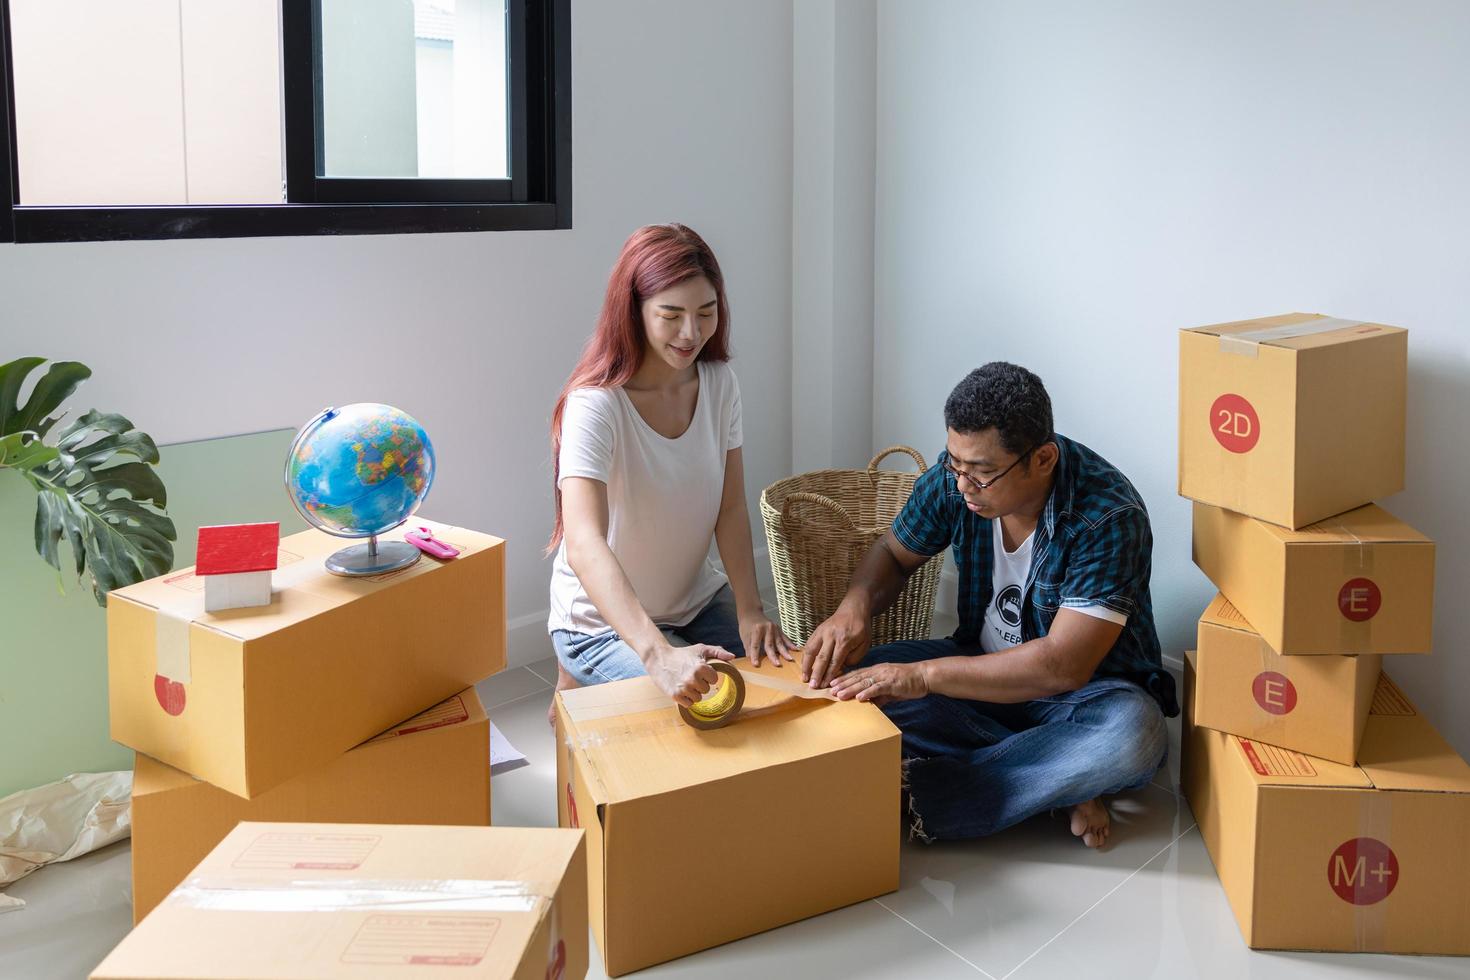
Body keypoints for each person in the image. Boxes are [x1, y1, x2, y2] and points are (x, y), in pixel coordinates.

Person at [801, 362, 1177, 848]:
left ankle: (934, 790)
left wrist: (922, 677)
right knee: (847, 686)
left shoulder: (1108, 515)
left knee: (1132, 740)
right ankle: (1054, 777)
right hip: (978, 672)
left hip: (1080, 696)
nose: (961, 485)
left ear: (1042, 459)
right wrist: (852, 608)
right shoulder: (956, 476)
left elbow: (1063, 666)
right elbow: (892, 555)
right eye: (956, 465)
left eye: (981, 474)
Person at [545, 224, 792, 722]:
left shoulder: (720, 383)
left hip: (694, 601)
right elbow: (584, 542)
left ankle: (581, 683)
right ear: (632, 311)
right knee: (707, 711)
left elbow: (730, 506)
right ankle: (575, 673)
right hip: (598, 624)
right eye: (671, 315)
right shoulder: (595, 405)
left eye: (706, 313)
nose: (691, 333)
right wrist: (658, 656)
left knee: (785, 687)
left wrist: (750, 610)